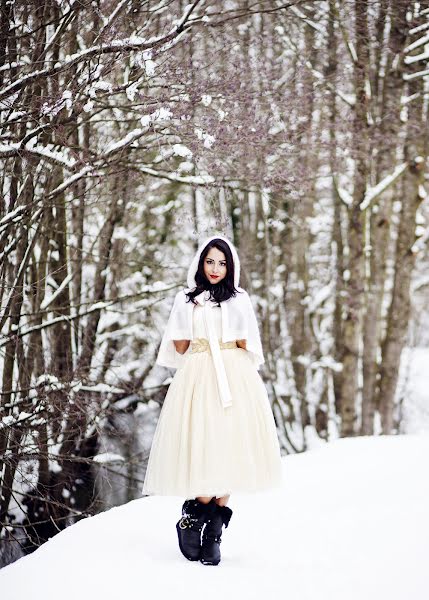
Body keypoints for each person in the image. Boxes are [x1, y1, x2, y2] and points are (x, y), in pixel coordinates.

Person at [142, 235, 282, 565]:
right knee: (206, 444)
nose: (216, 268)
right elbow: (178, 347)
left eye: (222, 262)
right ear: (200, 264)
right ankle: (193, 519)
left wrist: (228, 344)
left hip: (236, 375)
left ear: (230, 266)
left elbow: (249, 341)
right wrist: (192, 321)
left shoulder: (240, 299)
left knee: (232, 447)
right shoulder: (186, 299)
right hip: (200, 374)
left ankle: (213, 533)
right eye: (210, 261)